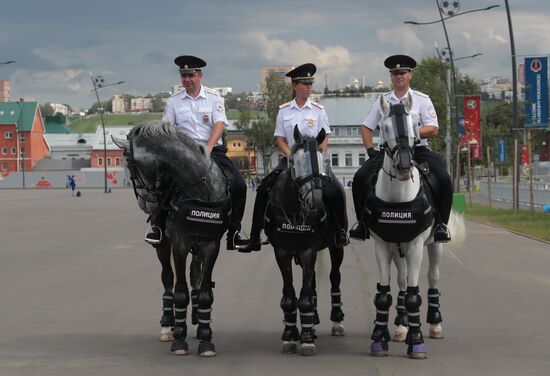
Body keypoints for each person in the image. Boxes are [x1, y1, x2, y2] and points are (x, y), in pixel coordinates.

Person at [238, 63, 349, 252]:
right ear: (294, 86)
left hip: (315, 161)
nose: (309, 87)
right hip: (291, 160)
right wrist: (291, 156)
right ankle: (255, 236)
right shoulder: (284, 110)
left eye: (310, 83)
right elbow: (280, 139)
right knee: (264, 188)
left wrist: (319, 157)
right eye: (305, 83)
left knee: (336, 190)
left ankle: (340, 232)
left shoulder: (318, 110)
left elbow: (325, 137)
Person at [145, 55, 247, 250]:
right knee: (161, 184)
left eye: (191, 75)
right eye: (183, 76)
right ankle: (157, 227)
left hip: (212, 151)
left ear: (199, 75)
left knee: (239, 185)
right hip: (183, 154)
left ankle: (234, 232)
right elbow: (166, 127)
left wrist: (207, 148)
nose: (187, 80)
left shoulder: (214, 97)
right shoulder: (174, 102)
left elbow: (219, 124)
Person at [350, 54, 453, 243]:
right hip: (388, 152)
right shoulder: (382, 101)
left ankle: (441, 225)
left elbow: (433, 128)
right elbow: (366, 127)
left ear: (410, 75)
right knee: (359, 178)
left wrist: (409, 136)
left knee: (444, 178)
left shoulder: (421, 100)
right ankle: (362, 224)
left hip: (417, 150)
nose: (399, 76)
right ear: (391, 76)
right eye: (395, 73)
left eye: (403, 72)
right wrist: (371, 151)